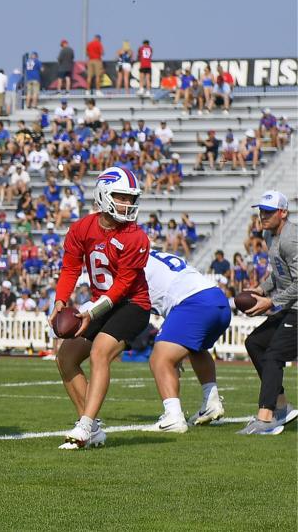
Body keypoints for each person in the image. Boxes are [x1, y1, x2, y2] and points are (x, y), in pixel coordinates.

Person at [49, 167, 151, 449]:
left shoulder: (136, 237)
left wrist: (90, 312)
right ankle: (92, 427)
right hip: (102, 304)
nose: (127, 204)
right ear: (103, 194)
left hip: (133, 304)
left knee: (100, 352)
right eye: (121, 197)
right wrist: (60, 301)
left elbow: (122, 286)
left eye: (131, 199)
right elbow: (70, 267)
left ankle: (84, 425)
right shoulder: (82, 228)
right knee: (65, 357)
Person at [142, 251, 231, 433]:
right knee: (197, 349)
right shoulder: (155, 255)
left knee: (160, 359)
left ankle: (173, 417)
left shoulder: (132, 261)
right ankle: (211, 401)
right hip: (217, 299)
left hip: (194, 302)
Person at [238, 191, 298, 435]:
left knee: (273, 354)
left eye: (269, 211)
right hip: (291, 308)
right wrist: (260, 289)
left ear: (283, 213)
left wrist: (270, 302)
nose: (263, 216)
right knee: (254, 343)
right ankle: (282, 406)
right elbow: (279, 274)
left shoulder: (291, 239)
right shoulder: (269, 235)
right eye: (261, 210)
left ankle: (266, 418)